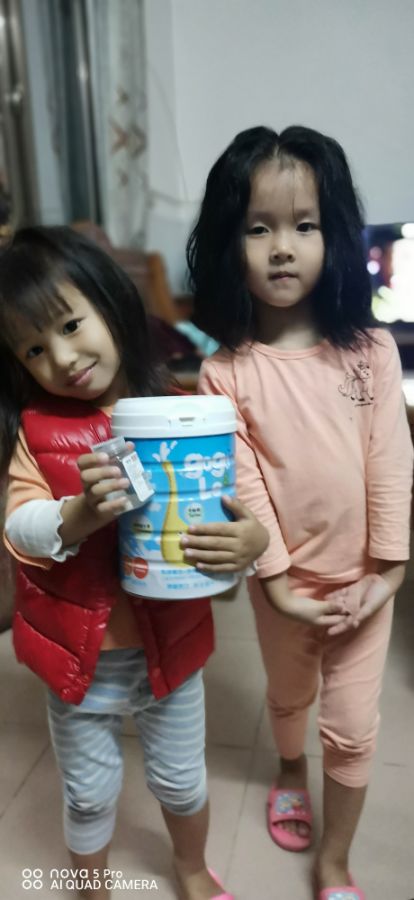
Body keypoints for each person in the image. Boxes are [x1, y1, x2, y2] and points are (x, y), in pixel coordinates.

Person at [0, 225, 269, 900]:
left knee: (182, 780)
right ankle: (92, 888)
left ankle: (190, 867)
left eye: (70, 325)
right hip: (80, 656)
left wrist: (250, 548)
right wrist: (75, 515)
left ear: (111, 302)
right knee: (88, 793)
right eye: (34, 348)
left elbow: (228, 518)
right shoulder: (37, 431)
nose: (62, 358)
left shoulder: (185, 414)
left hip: (170, 645)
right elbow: (20, 527)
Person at [185, 125, 413, 900]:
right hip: (285, 588)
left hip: (365, 584)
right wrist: (279, 587)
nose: (282, 247)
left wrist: (388, 574)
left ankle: (334, 865)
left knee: (353, 727)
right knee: (288, 697)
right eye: (259, 229)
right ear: (229, 243)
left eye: (304, 226)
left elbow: (391, 462)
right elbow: (243, 487)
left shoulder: (371, 352)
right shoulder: (224, 373)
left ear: (335, 236)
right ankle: (288, 769)